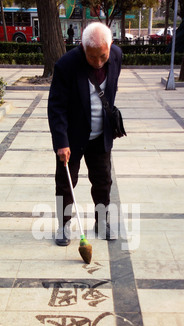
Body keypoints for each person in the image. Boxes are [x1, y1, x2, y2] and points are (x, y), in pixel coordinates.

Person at [48, 22, 122, 246]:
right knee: (65, 182)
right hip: (72, 137)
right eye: (92, 57)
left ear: (110, 47)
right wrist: (61, 142)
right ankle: (64, 224)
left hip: (100, 134)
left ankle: (102, 221)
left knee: (103, 181)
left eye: (103, 56)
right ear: (82, 47)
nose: (98, 62)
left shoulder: (116, 56)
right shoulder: (66, 65)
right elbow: (56, 106)